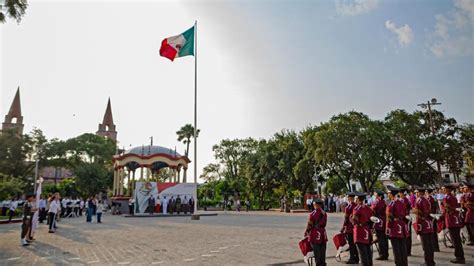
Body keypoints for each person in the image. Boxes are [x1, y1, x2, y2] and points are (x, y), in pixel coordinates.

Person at [442, 183, 465, 264]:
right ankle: (460, 256)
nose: (443, 190)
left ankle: (459, 257)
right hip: (455, 219)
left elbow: (447, 208)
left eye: (444, 189)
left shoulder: (447, 197)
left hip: (451, 219)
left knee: (455, 240)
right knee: (457, 239)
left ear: (448, 189)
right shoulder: (453, 197)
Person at [386, 186, 408, 266]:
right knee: (402, 247)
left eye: (388, 193)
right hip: (401, 225)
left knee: (396, 249)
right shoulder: (401, 202)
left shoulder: (391, 204)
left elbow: (389, 218)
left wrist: (387, 230)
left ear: (391, 194)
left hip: (394, 227)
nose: (387, 194)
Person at [413, 188, 435, 266]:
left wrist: (418, 229)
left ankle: (428, 262)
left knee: (426, 246)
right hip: (428, 222)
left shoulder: (419, 200)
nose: (416, 194)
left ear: (419, 193)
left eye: (417, 192)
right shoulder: (426, 200)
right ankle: (431, 261)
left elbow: (419, 214)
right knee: (430, 245)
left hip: (423, 224)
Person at [352, 192, 373, 266]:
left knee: (362, 253)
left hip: (359, 231)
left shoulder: (356, 208)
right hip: (366, 230)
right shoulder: (367, 208)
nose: (355, 199)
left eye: (355, 198)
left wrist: (354, 222)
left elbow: (354, 219)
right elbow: (372, 218)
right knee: (368, 251)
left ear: (358, 199)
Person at [305, 198, 327, 266]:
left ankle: (318, 263)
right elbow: (324, 224)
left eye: (314, 204)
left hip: (314, 233)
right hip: (323, 233)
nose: (313, 205)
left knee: (316, 250)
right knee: (323, 250)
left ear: (316, 205)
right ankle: (323, 263)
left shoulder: (312, 214)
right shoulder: (324, 213)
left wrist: (306, 231)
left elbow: (310, 224)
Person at [341, 192, 358, 264]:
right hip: (355, 227)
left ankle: (352, 259)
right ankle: (356, 258)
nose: (347, 198)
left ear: (350, 198)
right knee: (355, 244)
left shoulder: (348, 207)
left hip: (349, 228)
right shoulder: (356, 205)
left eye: (348, 197)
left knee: (351, 244)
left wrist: (343, 227)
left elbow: (346, 218)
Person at [370, 190, 388, 261]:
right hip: (384, 221)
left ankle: (382, 255)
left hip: (378, 221)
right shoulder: (383, 201)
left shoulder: (377, 202)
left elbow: (373, 210)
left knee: (380, 239)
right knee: (384, 238)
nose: (375, 195)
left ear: (379, 196)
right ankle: (385, 254)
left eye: (376, 194)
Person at [398, 188, 412, 256]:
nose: (399, 194)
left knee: (407, 236)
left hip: (405, 219)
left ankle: (407, 251)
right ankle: (406, 250)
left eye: (400, 193)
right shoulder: (402, 200)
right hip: (404, 219)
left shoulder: (404, 200)